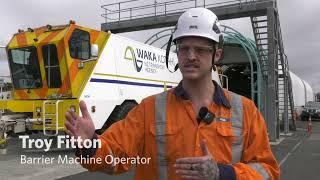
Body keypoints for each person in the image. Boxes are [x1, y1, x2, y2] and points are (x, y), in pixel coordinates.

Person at [65, 7, 280, 180]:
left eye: (201, 49)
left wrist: (224, 173)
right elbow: (114, 157)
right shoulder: (149, 109)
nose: (191, 56)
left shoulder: (245, 110)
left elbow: (267, 171)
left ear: (217, 55)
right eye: (184, 48)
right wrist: (90, 144)